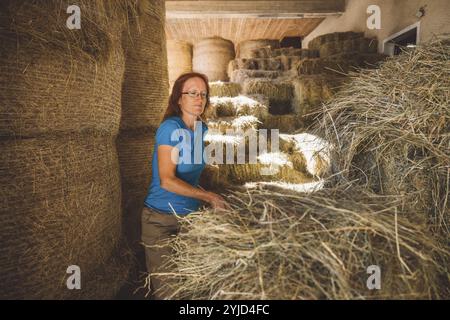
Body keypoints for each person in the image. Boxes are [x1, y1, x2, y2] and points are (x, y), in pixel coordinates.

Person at [141, 72, 228, 299]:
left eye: (203, 94)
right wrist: (210, 197)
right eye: (192, 93)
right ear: (179, 99)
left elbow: (193, 173)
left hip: (191, 219)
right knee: (172, 293)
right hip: (161, 220)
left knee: (197, 287)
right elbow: (167, 180)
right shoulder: (170, 128)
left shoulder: (201, 129)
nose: (199, 98)